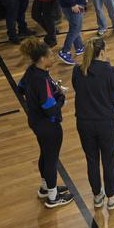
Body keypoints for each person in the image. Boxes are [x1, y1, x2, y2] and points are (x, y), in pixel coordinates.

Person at [16, 38, 73, 208]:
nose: (53, 57)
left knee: (45, 153)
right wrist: (61, 98)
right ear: (42, 58)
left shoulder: (31, 71)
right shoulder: (41, 80)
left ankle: (45, 187)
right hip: (48, 124)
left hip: (35, 121)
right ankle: (53, 197)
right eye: (50, 55)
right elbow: (51, 108)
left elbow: (20, 88)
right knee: (51, 159)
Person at [73, 37, 114, 210]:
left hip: (84, 123)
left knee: (92, 160)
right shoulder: (110, 71)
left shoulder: (77, 71)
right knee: (108, 161)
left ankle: (97, 196)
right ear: (102, 52)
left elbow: (76, 87)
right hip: (106, 123)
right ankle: (111, 197)